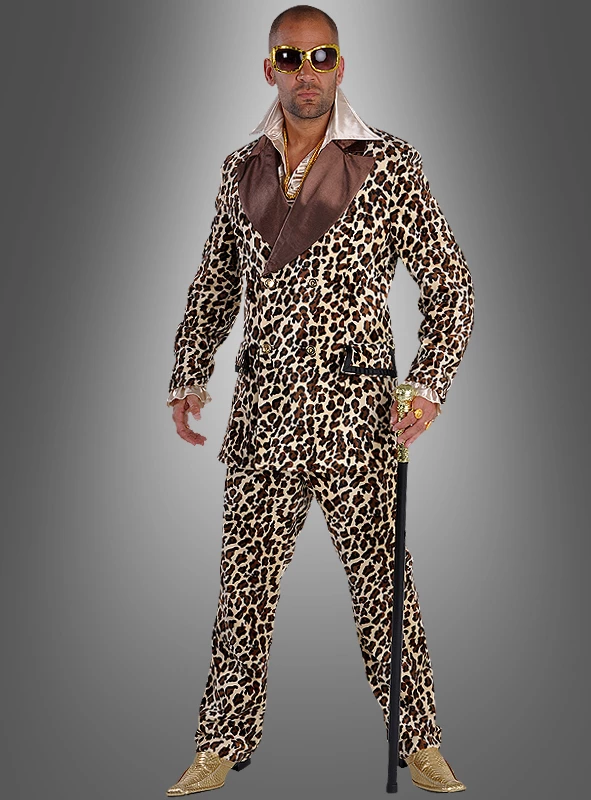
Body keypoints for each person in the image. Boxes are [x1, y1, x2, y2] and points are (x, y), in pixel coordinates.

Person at [165, 5, 474, 795]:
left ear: (341, 65)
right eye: (290, 56)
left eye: (321, 55)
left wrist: (428, 385)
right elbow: (214, 281)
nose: (307, 72)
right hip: (263, 413)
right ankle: (219, 743)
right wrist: (189, 371)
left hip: (357, 416)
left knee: (384, 591)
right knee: (242, 591)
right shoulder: (240, 167)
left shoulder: (388, 162)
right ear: (268, 67)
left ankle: (419, 741)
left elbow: (450, 285)